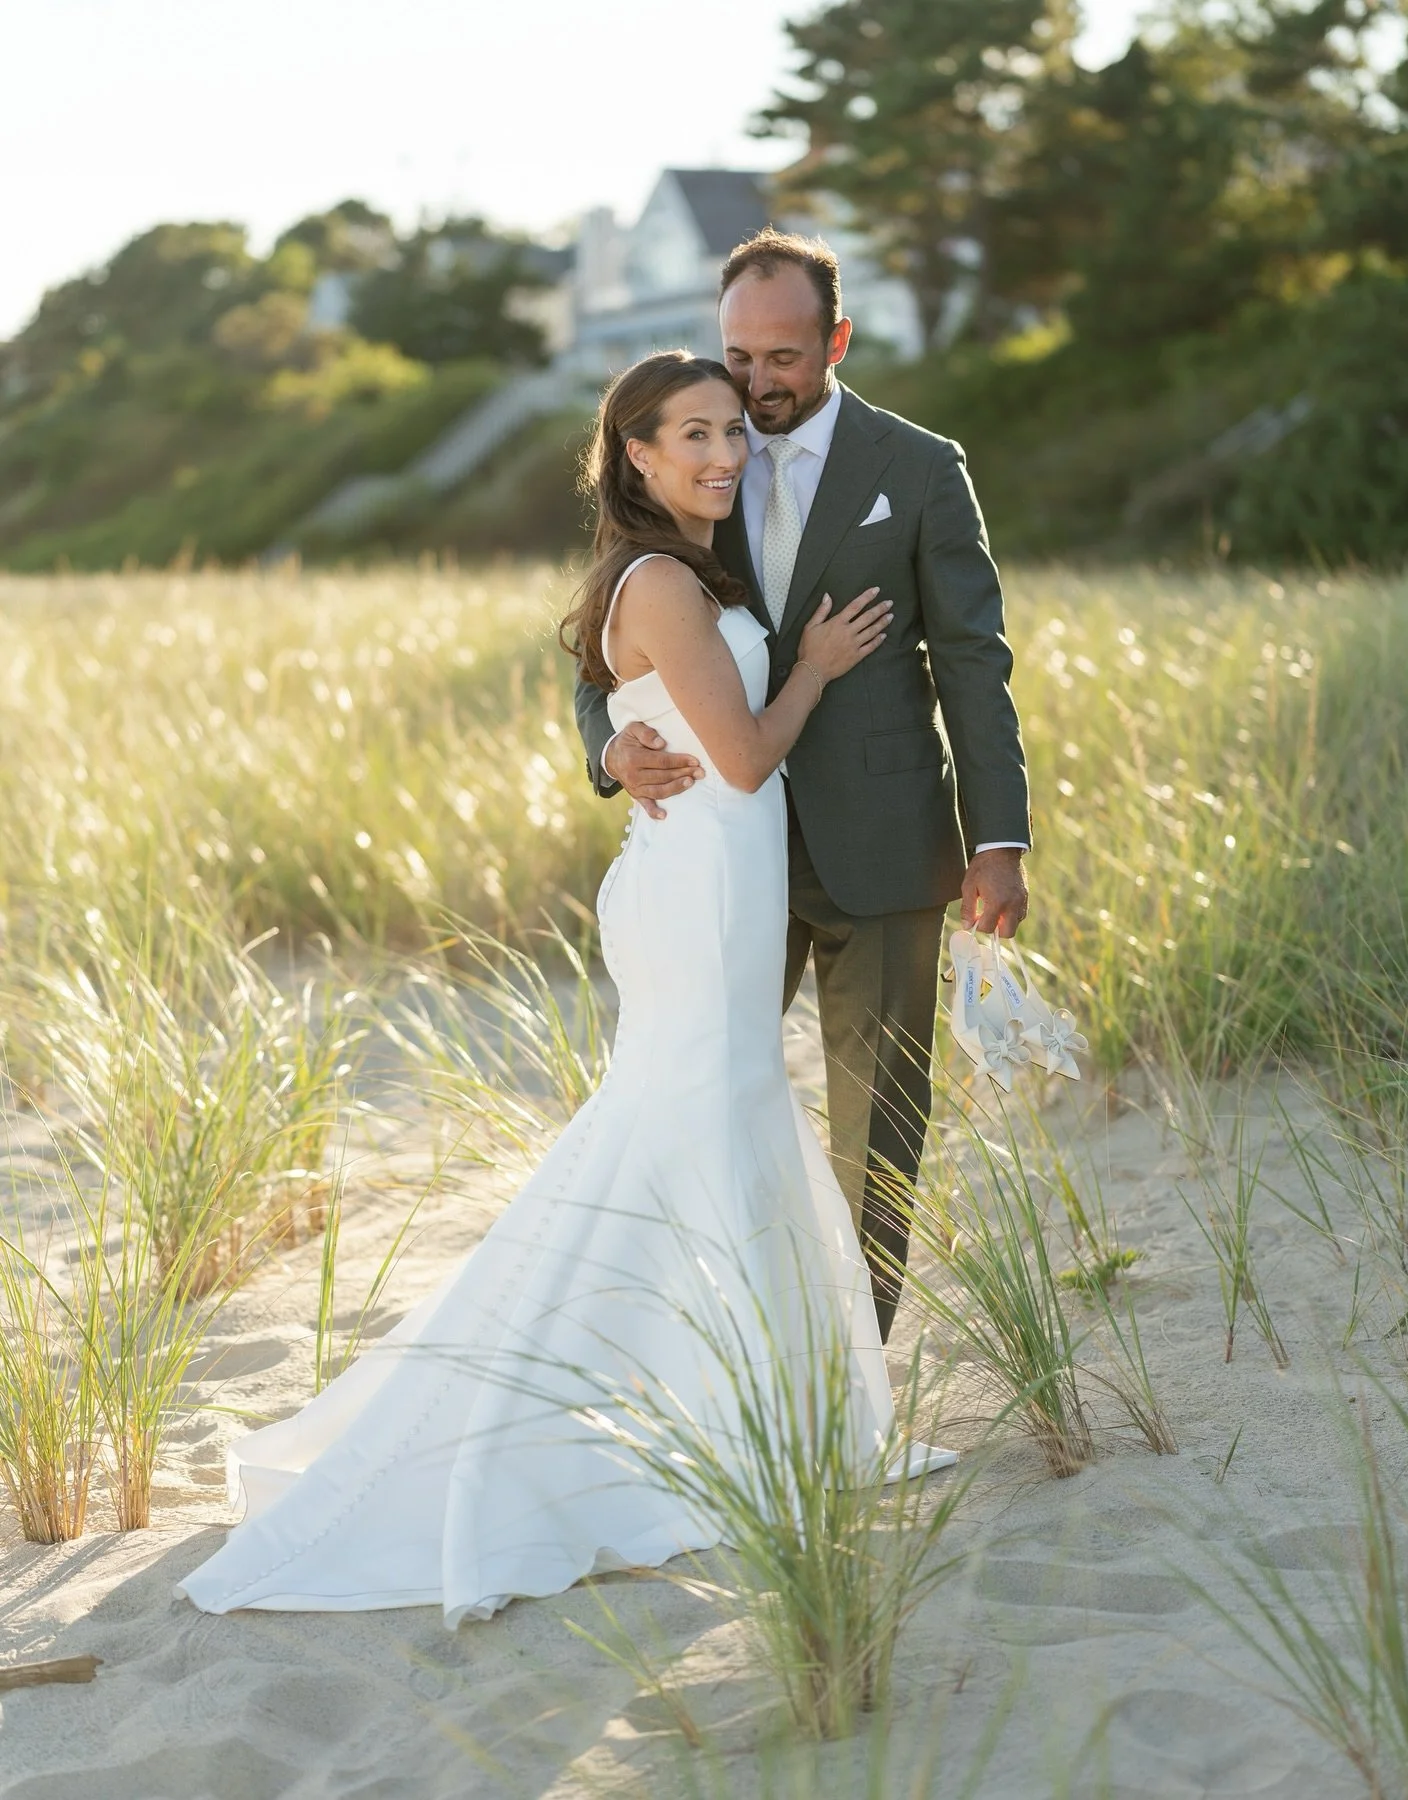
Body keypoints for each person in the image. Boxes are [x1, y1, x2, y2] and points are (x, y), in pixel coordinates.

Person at [177, 350, 950, 1628]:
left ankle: (738, 1411)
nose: (721, 453)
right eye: (689, 435)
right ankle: (642, 1419)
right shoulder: (659, 580)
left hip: (709, 884)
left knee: (705, 1130)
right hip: (704, 890)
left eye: (730, 433)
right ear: (634, 456)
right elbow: (747, 760)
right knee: (681, 1131)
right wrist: (809, 663)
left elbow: (657, 708)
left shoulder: (680, 571)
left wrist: (643, 725)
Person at [574, 231, 1031, 1342]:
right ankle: (687, 1342)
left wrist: (999, 837)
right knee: (702, 1099)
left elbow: (972, 658)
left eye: (783, 357)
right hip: (726, 853)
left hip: (885, 841)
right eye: (740, 354)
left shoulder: (921, 469)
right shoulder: (695, 455)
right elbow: (600, 638)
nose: (758, 383)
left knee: (880, 1124)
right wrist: (606, 748)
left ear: (835, 341)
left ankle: (856, 1368)